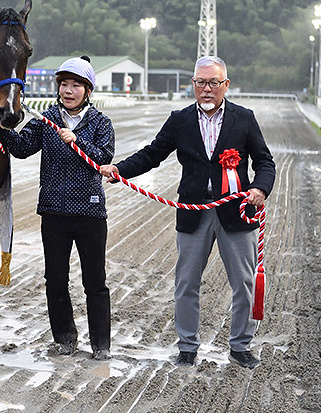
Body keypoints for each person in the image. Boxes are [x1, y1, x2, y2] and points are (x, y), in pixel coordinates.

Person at [100, 56, 275, 370]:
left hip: (235, 213)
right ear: (193, 84)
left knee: (244, 283)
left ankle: (240, 346)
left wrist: (260, 189)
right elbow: (152, 154)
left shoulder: (244, 118)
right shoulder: (179, 119)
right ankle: (187, 347)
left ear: (226, 85)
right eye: (201, 83)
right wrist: (119, 170)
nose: (207, 89)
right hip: (193, 213)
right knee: (186, 283)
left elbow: (265, 161)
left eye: (214, 83)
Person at [0, 56, 115, 360]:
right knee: (56, 279)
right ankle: (64, 338)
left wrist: (77, 140)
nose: (68, 90)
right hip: (53, 212)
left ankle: (101, 345)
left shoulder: (101, 122)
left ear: (87, 90)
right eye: (64, 84)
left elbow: (104, 157)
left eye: (75, 85)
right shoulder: (47, 119)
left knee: (95, 282)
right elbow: (22, 148)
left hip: (89, 213)